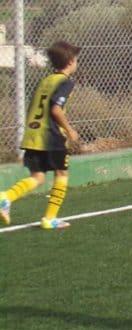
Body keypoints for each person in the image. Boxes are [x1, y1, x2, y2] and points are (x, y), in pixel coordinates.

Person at [0, 41, 81, 230]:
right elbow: (56, 109)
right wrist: (69, 130)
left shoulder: (45, 81)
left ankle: (6, 197)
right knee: (61, 173)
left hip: (32, 134)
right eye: (76, 59)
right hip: (50, 136)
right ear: (70, 61)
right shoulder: (65, 82)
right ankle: (49, 218)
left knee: (38, 176)